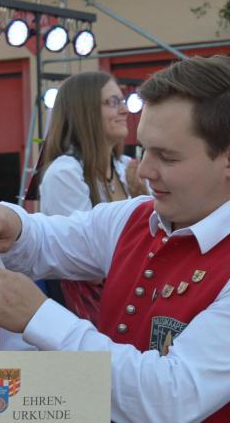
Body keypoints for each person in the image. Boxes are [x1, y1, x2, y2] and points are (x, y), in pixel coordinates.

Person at [0, 55, 230, 422]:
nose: (143, 170)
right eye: (142, 149)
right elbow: (47, 238)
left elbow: (169, 398)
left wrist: (38, 316)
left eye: (167, 157)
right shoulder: (135, 216)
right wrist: (9, 220)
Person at [38, 70, 145, 323]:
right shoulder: (65, 173)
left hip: (130, 298)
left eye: (123, 101)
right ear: (84, 111)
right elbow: (89, 262)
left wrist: (146, 198)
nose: (124, 110)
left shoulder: (126, 167)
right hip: (88, 311)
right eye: (112, 102)